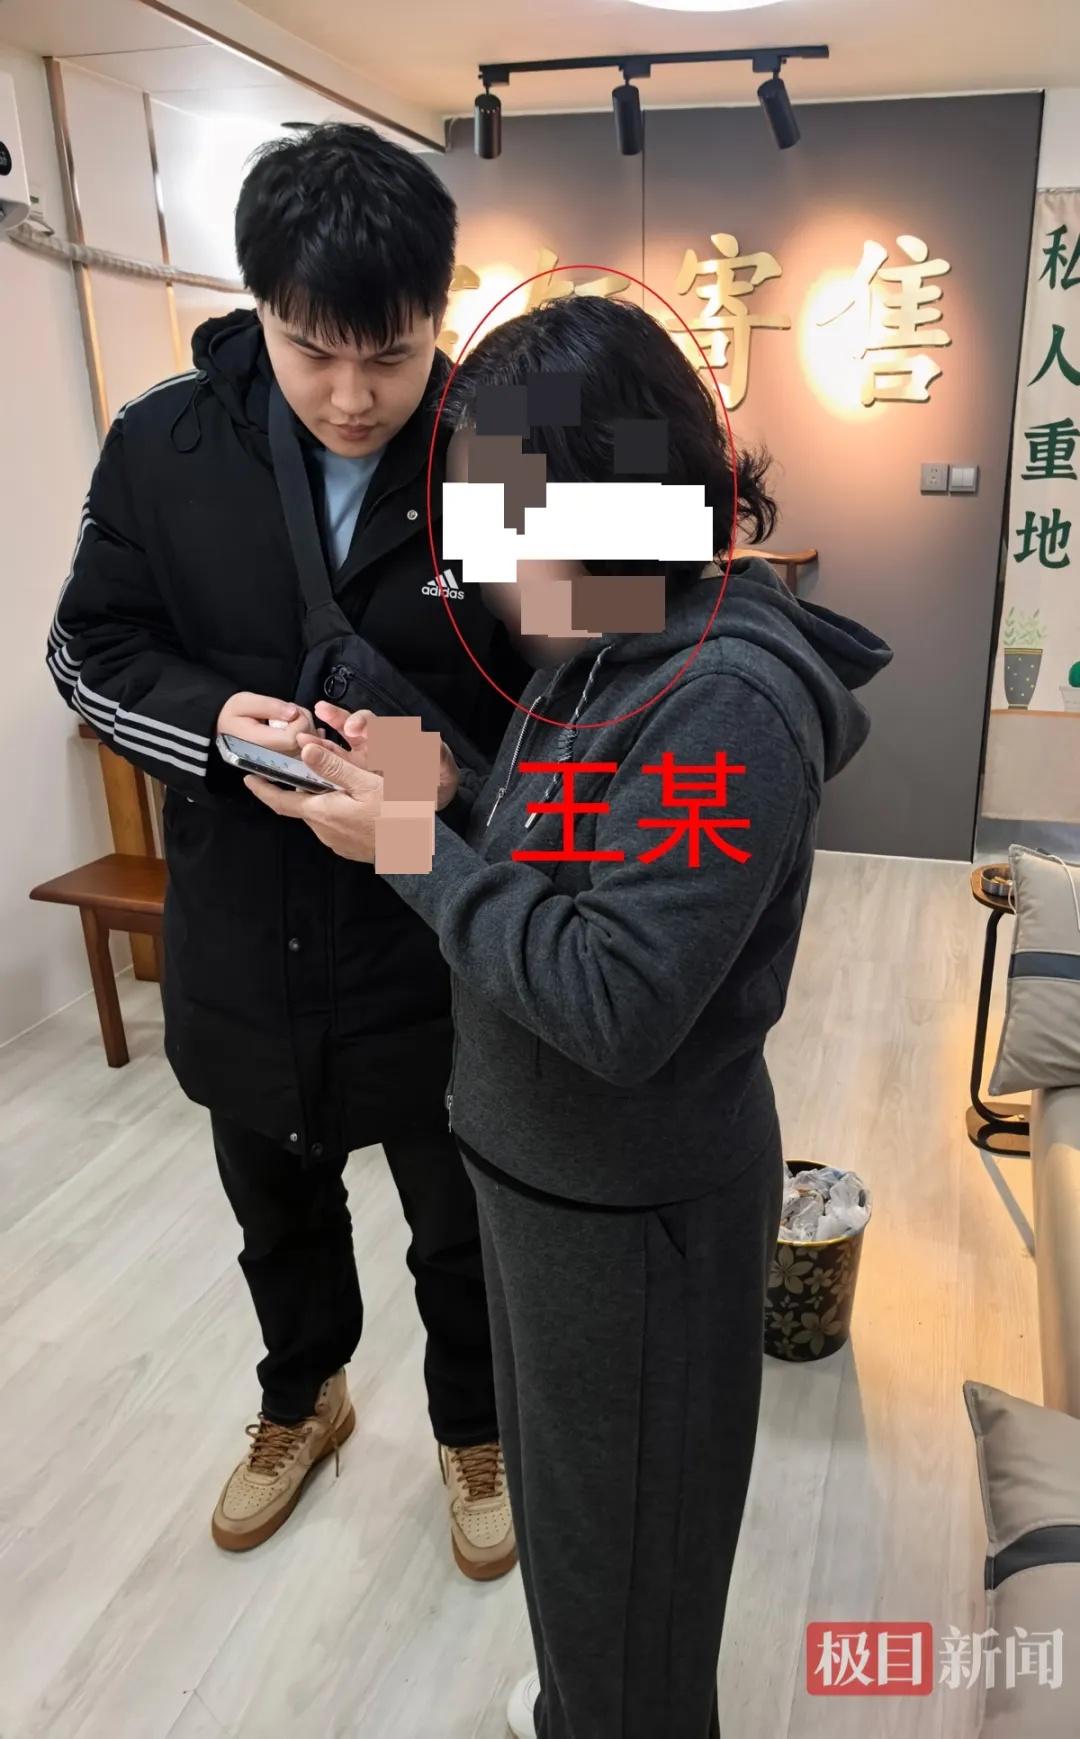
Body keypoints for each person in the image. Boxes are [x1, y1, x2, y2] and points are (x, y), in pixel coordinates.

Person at [249, 293, 893, 1737]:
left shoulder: (724, 701)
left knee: (628, 1590)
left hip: (634, 1224)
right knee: (581, 1553)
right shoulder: (614, 643)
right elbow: (577, 855)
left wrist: (408, 844)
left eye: (507, 525)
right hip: (554, 1197)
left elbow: (618, 999)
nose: (484, 571)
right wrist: (442, 783)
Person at [46, 123, 523, 1577]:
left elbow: (608, 707)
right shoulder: (162, 442)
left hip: (443, 933)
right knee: (276, 1209)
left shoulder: (527, 438)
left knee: (463, 1222)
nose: (352, 395)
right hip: (246, 929)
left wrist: (437, 775)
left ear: (440, 312)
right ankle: (300, 1399)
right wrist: (210, 720)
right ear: (256, 303)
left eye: (392, 354)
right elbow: (86, 649)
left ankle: (479, 1427)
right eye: (314, 350)